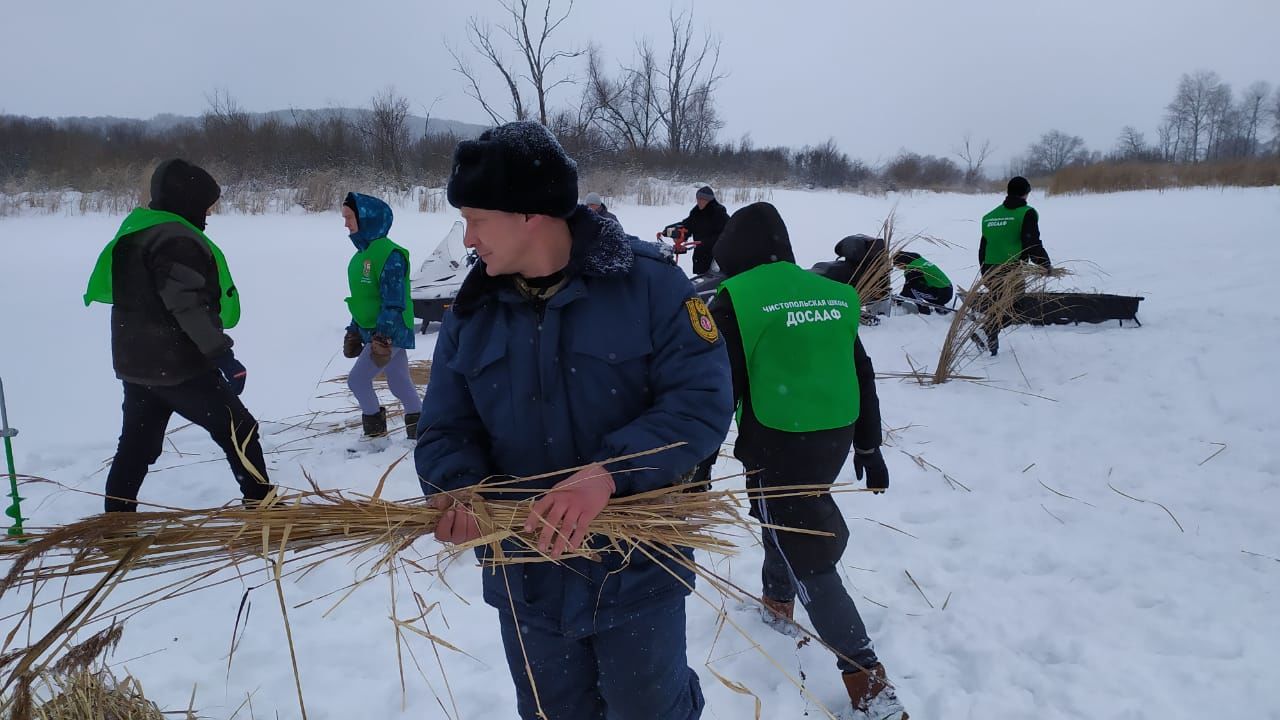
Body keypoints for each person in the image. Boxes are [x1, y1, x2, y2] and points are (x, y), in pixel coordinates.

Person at [414, 121, 732, 720]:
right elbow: (444, 429)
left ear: (529, 214)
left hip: (637, 572)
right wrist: (457, 487)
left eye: (477, 218)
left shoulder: (651, 285)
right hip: (526, 578)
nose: (468, 238)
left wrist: (610, 471)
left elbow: (702, 402)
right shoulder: (473, 311)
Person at [707, 202, 909, 719]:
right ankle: (777, 603)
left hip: (777, 437)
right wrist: (869, 445)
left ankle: (869, 684)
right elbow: (860, 372)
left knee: (807, 551)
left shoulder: (736, 299)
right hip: (833, 436)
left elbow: (713, 389)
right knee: (780, 515)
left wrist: (700, 463)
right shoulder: (834, 294)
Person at [84, 159, 274, 512]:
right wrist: (222, 355)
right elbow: (187, 305)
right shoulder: (175, 240)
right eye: (205, 206)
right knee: (240, 430)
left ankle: (115, 524)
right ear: (186, 201)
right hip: (178, 366)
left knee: (136, 447)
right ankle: (264, 508)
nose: (208, 214)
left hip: (137, 364)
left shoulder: (137, 232)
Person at [340, 192, 422, 440]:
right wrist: (354, 329)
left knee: (357, 381)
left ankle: (375, 437)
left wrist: (383, 336)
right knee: (399, 382)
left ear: (367, 218)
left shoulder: (390, 255)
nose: (345, 224)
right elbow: (363, 300)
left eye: (350, 217)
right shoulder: (360, 256)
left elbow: (393, 300)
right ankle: (422, 432)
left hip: (391, 331)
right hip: (376, 332)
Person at [977, 176, 1052, 355]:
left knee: (999, 305)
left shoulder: (989, 216)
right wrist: (1045, 264)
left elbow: (983, 247)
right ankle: (985, 329)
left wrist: (984, 272)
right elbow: (1031, 242)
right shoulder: (1027, 213)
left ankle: (990, 343)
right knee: (1015, 308)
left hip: (989, 267)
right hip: (1011, 269)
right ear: (1026, 193)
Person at [668, 185, 730, 275]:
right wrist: (670, 230)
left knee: (712, 282)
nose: (699, 201)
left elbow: (727, 234)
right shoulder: (696, 212)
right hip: (700, 254)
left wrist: (704, 242)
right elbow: (687, 225)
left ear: (709, 200)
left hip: (715, 257)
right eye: (698, 198)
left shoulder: (719, 213)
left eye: (702, 199)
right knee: (701, 280)